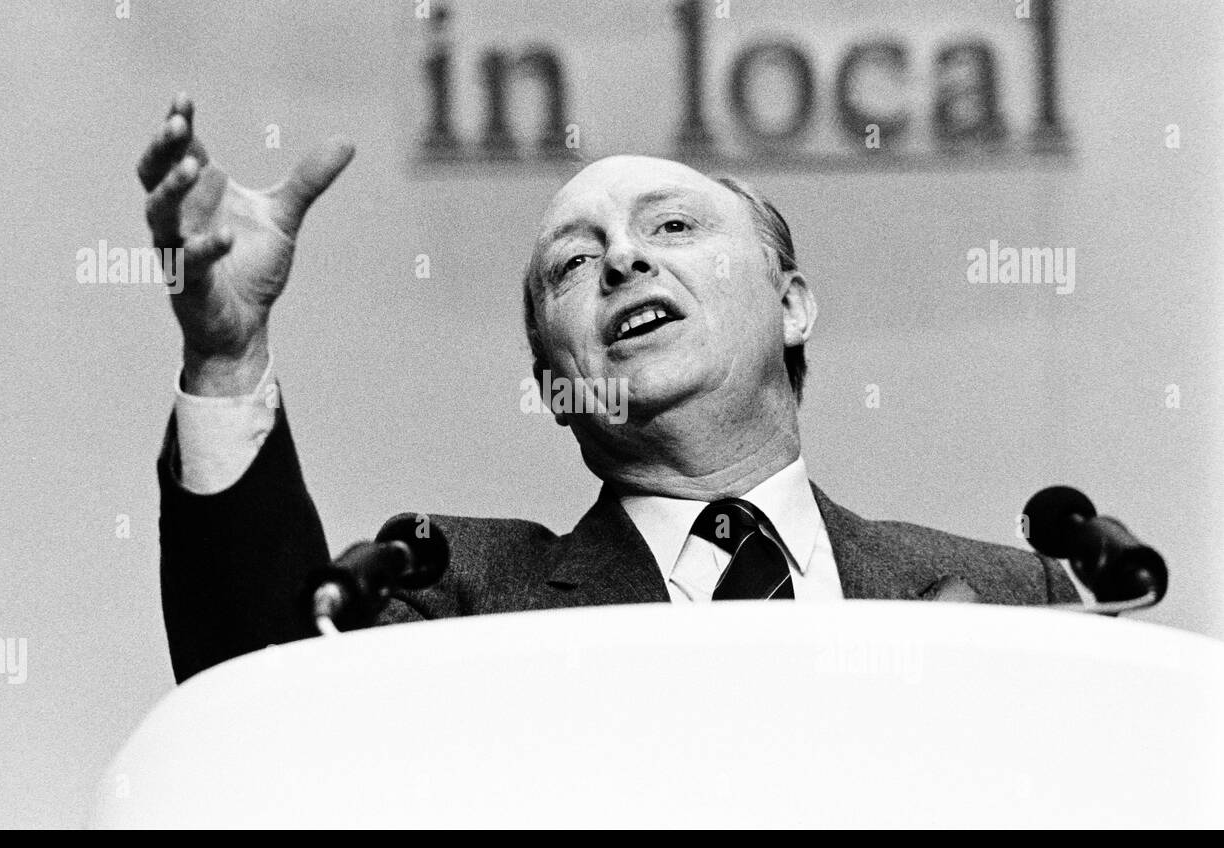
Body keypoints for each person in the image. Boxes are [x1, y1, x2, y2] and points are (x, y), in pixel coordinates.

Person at [137, 94, 1078, 683]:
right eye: (573, 263)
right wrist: (229, 354)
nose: (624, 257)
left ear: (791, 304)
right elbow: (264, 723)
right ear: (556, 383)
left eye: (672, 227)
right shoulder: (446, 590)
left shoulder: (1014, 598)